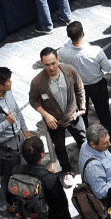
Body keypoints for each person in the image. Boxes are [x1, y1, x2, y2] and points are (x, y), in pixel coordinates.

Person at [29, 47, 86, 186]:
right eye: (47, 65)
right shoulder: (37, 82)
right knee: (60, 147)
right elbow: (33, 101)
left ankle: (88, 163)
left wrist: (82, 107)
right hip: (54, 122)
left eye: (53, 63)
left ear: (58, 59)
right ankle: (67, 171)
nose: (51, 67)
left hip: (73, 116)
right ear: (42, 64)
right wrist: (46, 115)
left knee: (83, 141)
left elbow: (79, 88)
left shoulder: (69, 70)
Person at [56, 22, 111, 140]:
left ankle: (86, 141)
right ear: (83, 34)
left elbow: (62, 52)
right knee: (104, 114)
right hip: (97, 85)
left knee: (82, 116)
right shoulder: (95, 50)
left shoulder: (63, 52)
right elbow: (107, 68)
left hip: (78, 88)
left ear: (69, 36)